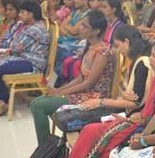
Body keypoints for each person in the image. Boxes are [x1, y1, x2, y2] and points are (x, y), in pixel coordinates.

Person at [29, 11, 114, 145]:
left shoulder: (102, 52)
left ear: (96, 31)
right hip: (84, 92)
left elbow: (89, 83)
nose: (80, 28)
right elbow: (80, 78)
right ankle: (45, 149)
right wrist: (59, 89)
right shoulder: (90, 46)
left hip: (94, 96)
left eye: (84, 26)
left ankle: (44, 149)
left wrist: (60, 93)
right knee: (35, 103)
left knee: (39, 106)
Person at [0, 2, 50, 121]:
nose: (20, 14)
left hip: (33, 63)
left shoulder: (35, 29)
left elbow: (15, 46)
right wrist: (5, 54)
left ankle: (4, 102)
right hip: (23, 58)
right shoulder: (29, 26)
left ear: (31, 14)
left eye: (23, 12)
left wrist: (5, 53)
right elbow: (15, 46)